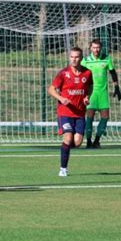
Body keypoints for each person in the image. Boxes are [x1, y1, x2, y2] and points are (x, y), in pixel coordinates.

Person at [48, 47, 93, 177]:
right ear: (69, 58)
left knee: (77, 142)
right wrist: (61, 98)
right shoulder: (63, 73)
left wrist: (87, 97)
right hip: (65, 112)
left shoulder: (87, 73)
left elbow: (90, 87)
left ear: (81, 58)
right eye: (72, 57)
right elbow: (51, 89)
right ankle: (63, 169)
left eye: (77, 57)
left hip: (79, 113)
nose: (74, 59)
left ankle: (66, 148)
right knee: (68, 137)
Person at [81, 39, 121, 149]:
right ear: (90, 48)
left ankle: (97, 140)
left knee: (105, 116)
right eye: (94, 47)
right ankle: (88, 141)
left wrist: (117, 87)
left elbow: (113, 72)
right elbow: (80, 75)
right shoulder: (86, 61)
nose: (96, 50)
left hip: (103, 93)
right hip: (91, 94)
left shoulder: (106, 58)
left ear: (101, 48)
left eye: (98, 47)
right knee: (89, 117)